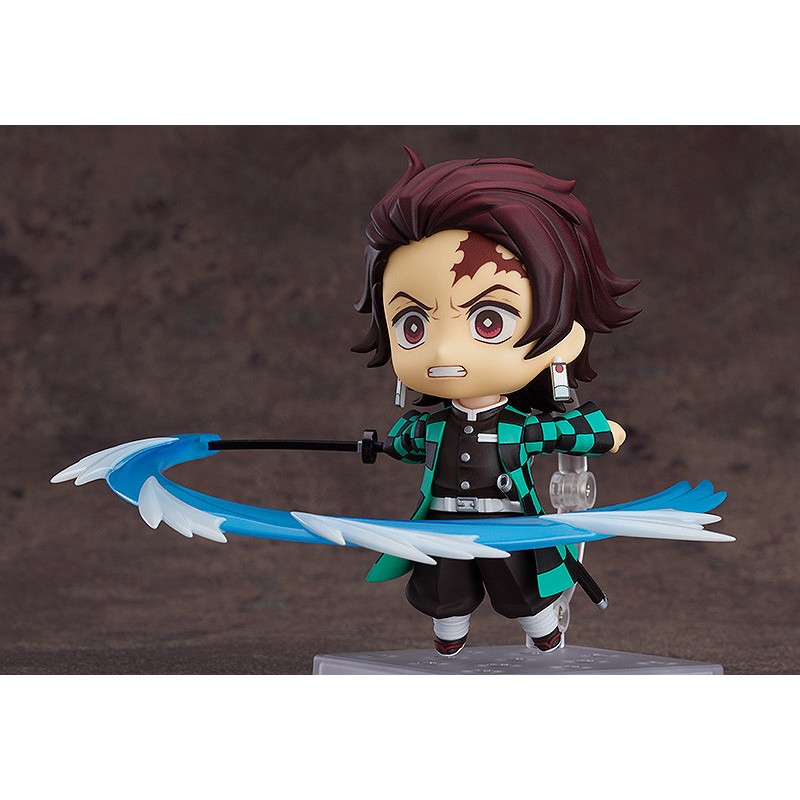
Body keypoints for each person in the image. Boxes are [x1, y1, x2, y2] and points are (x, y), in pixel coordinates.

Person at [352, 149, 640, 656]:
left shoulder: (518, 428)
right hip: (443, 525)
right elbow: (407, 440)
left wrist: (601, 433)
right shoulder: (433, 428)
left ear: (565, 335)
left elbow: (562, 432)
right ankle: (449, 640)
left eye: (488, 321)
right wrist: (382, 445)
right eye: (413, 325)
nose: (443, 352)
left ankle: (543, 631)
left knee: (522, 592)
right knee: (444, 593)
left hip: (510, 524)